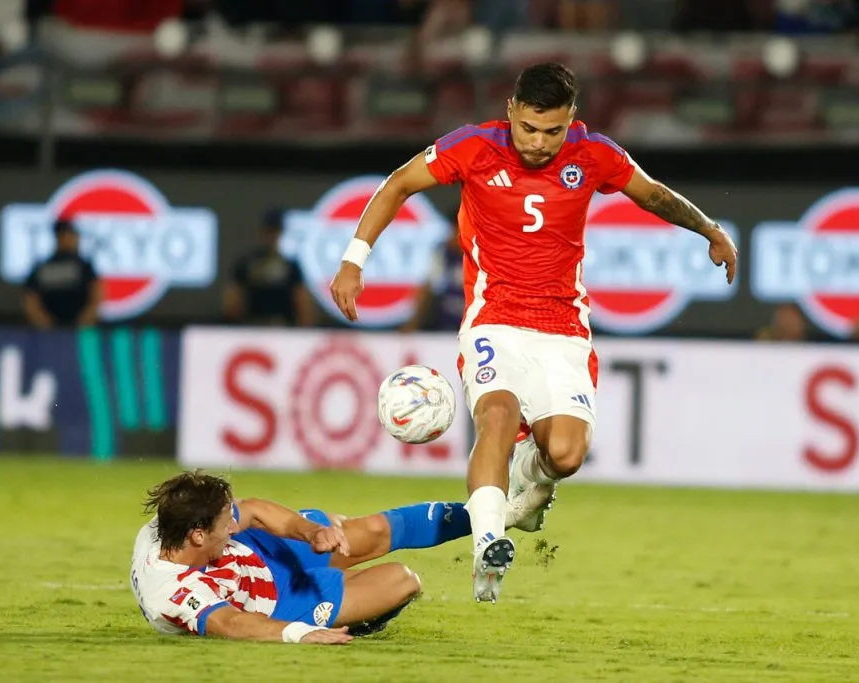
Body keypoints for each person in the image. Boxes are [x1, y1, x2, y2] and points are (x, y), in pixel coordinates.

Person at [329, 62, 738, 603]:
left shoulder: (595, 155)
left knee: (565, 454)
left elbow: (653, 194)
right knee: (495, 416)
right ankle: (489, 546)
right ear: (511, 113)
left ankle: (529, 483)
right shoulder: (473, 147)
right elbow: (399, 183)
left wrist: (709, 229)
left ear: (573, 120)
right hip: (493, 318)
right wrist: (355, 260)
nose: (540, 143)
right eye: (529, 129)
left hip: (563, 328)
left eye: (553, 131)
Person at [130, 471, 472, 644]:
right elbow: (229, 623)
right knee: (403, 580)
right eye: (225, 523)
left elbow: (253, 512)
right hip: (277, 605)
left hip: (260, 551)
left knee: (374, 531)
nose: (233, 524)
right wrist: (297, 633)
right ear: (199, 535)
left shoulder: (179, 519)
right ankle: (358, 619)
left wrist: (310, 532)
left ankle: (492, 513)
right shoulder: (172, 592)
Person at [223, 208, 316, 327]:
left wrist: (304, 332)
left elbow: (303, 302)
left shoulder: (290, 266)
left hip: (283, 329)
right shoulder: (245, 264)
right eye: (269, 232)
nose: (272, 237)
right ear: (262, 233)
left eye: (275, 232)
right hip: (251, 328)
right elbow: (232, 301)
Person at [23, 218, 102, 329]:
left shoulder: (85, 267)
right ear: (58, 238)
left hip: (79, 330)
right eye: (64, 235)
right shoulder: (43, 267)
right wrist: (45, 324)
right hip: (48, 332)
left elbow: (96, 295)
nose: (70, 239)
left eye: (72, 235)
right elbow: (31, 300)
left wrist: (85, 321)